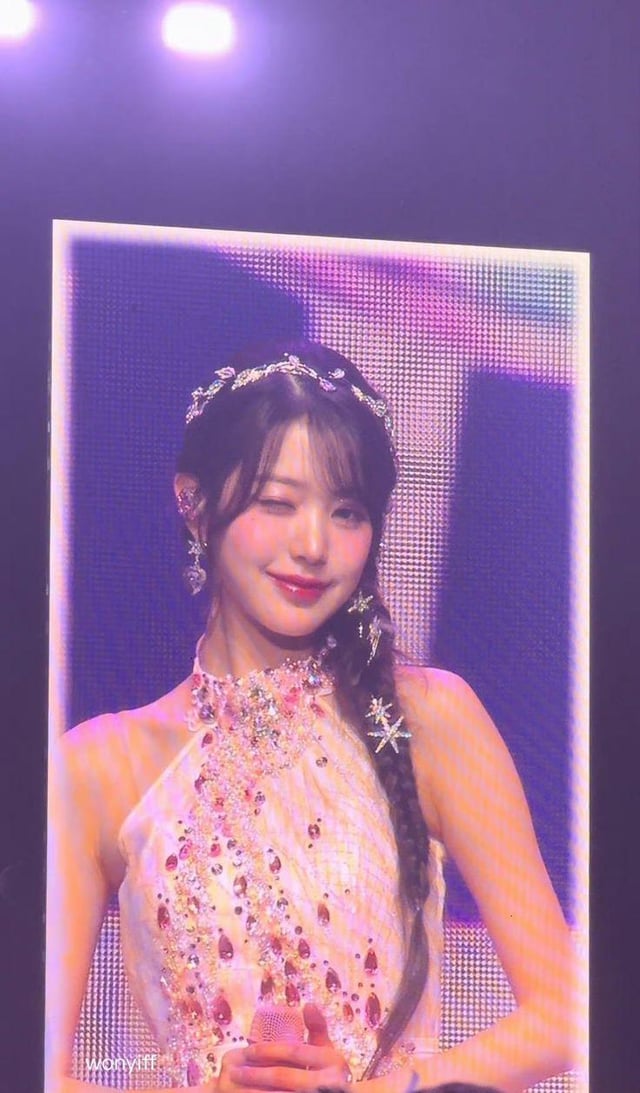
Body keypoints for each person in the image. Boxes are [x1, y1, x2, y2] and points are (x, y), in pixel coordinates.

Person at [48, 342, 576, 1093]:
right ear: (193, 502)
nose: (314, 544)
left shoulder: (432, 718)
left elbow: (567, 1012)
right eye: (277, 502)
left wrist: (380, 1089)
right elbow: (33, 1071)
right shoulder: (99, 766)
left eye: (346, 511)